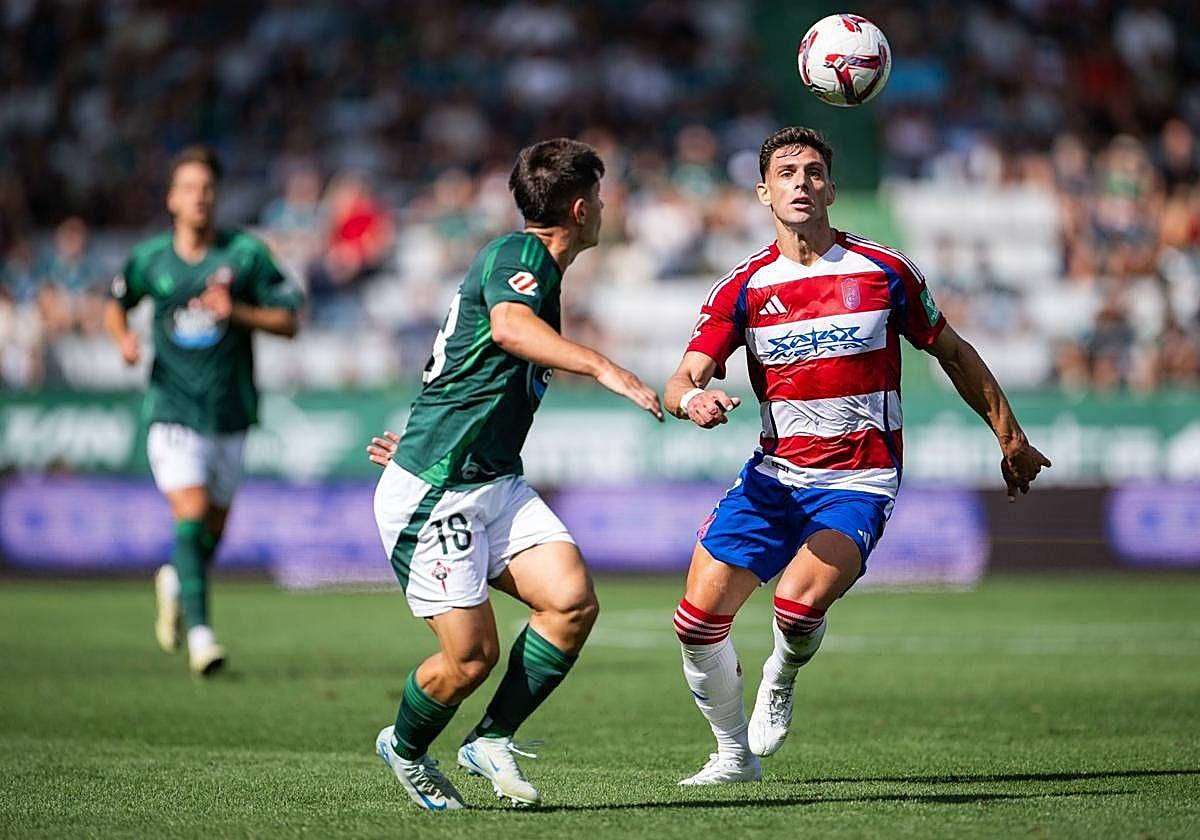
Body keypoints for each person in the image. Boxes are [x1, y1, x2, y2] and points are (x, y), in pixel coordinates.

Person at [663, 127, 1051, 785]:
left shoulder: (883, 270)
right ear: (763, 193)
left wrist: (1008, 435)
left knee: (795, 607)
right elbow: (681, 379)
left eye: (814, 172)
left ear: (832, 189)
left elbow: (953, 352)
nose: (801, 183)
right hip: (774, 476)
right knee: (696, 623)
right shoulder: (743, 287)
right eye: (786, 173)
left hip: (860, 477)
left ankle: (782, 670)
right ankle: (733, 757)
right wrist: (693, 399)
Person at [365, 138, 663, 811]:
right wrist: (605, 367)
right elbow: (506, 328)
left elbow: (467, 366)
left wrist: (429, 435)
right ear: (581, 208)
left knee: (571, 601)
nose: (606, 207)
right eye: (600, 196)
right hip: (440, 490)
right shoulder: (518, 255)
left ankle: (491, 738)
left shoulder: (537, 272)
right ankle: (405, 747)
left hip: (490, 478)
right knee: (471, 658)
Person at [104, 145, 303, 677]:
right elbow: (116, 304)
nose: (200, 197)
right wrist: (124, 340)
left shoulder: (245, 254)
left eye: (208, 188)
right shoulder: (150, 258)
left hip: (230, 414)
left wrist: (236, 312)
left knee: (208, 534)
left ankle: (176, 578)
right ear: (172, 198)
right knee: (190, 515)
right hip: (172, 411)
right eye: (189, 187)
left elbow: (290, 321)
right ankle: (201, 637)